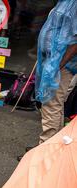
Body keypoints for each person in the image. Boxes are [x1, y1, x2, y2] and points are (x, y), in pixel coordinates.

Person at [36, 0, 77, 144]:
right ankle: (52, 149)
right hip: (53, 61)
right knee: (54, 106)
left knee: (51, 105)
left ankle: (44, 152)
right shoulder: (64, 2)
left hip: (60, 64)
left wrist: (59, 64)